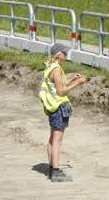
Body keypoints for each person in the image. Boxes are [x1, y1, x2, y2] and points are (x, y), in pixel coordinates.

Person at [39, 44, 87, 182]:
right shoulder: (56, 69)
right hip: (59, 107)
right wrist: (77, 83)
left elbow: (57, 85)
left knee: (52, 138)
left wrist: (71, 79)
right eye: (65, 53)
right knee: (57, 140)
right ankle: (55, 171)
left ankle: (51, 167)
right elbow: (61, 92)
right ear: (58, 55)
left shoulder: (50, 66)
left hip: (52, 107)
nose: (66, 55)